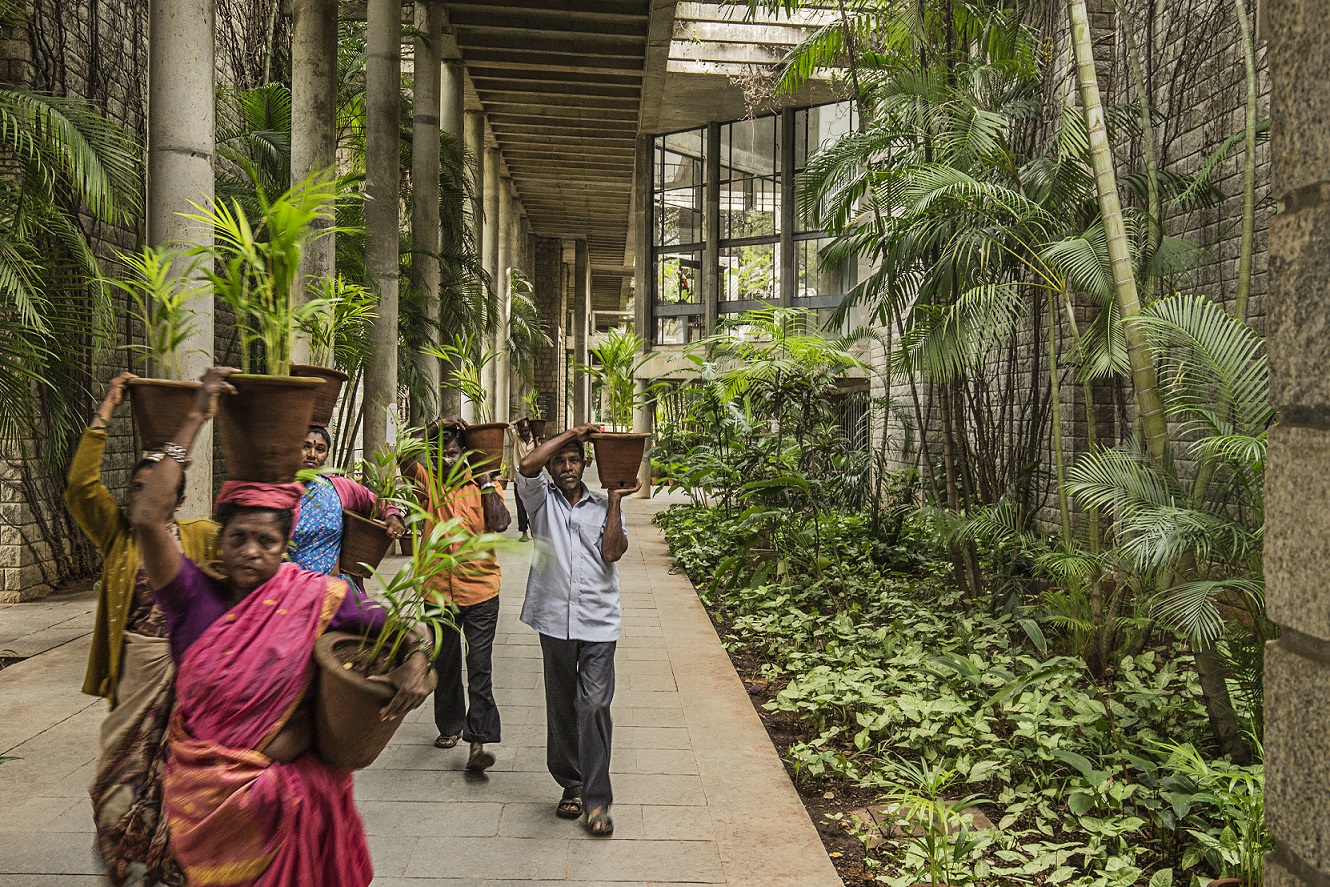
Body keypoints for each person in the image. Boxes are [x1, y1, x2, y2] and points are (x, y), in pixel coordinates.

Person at [131, 366, 434, 887]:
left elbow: (404, 630)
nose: (250, 552)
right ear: (219, 541)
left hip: (295, 812)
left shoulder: (315, 595)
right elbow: (147, 518)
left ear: (285, 545)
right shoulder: (190, 598)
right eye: (239, 538)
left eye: (266, 542)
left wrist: (417, 663)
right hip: (207, 808)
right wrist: (195, 417)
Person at [64, 371, 219, 887]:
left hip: (190, 685)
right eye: (136, 488)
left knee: (182, 784)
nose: (142, 497)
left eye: (153, 489)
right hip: (135, 677)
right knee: (114, 787)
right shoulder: (117, 538)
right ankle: (128, 851)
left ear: (174, 495)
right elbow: (81, 486)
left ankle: (169, 866)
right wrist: (108, 406)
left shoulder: (202, 538)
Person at [515, 424, 640, 837]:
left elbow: (612, 552)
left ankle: (597, 799)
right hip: (553, 618)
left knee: (593, 705)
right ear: (552, 467)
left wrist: (618, 501)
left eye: (574, 460)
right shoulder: (538, 502)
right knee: (563, 705)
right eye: (560, 461)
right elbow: (525, 464)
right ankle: (570, 783)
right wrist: (573, 433)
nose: (567, 467)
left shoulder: (603, 505)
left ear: (585, 465)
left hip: (599, 621)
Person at [410, 418, 510, 772]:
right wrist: (434, 426)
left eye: (455, 452)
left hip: (481, 591)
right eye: (442, 453)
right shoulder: (428, 484)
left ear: (466, 454)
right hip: (438, 592)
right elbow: (403, 456)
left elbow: (500, 523)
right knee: (446, 664)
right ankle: (450, 725)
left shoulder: (484, 485)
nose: (449, 459)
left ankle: (478, 742)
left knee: (479, 668)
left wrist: (485, 481)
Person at [292, 425, 406, 580]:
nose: (312, 455)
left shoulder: (339, 488)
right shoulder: (279, 491)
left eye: (320, 449)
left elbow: (376, 503)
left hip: (332, 591)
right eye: (305, 447)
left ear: (325, 456)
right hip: (288, 591)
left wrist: (392, 516)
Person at [509, 418, 537, 542]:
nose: (524, 433)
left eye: (526, 430)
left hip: (531, 477)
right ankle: (524, 531)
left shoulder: (534, 441)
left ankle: (534, 530)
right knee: (520, 506)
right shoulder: (516, 440)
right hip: (518, 478)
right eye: (522, 430)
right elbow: (509, 426)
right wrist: (521, 419)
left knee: (533, 505)